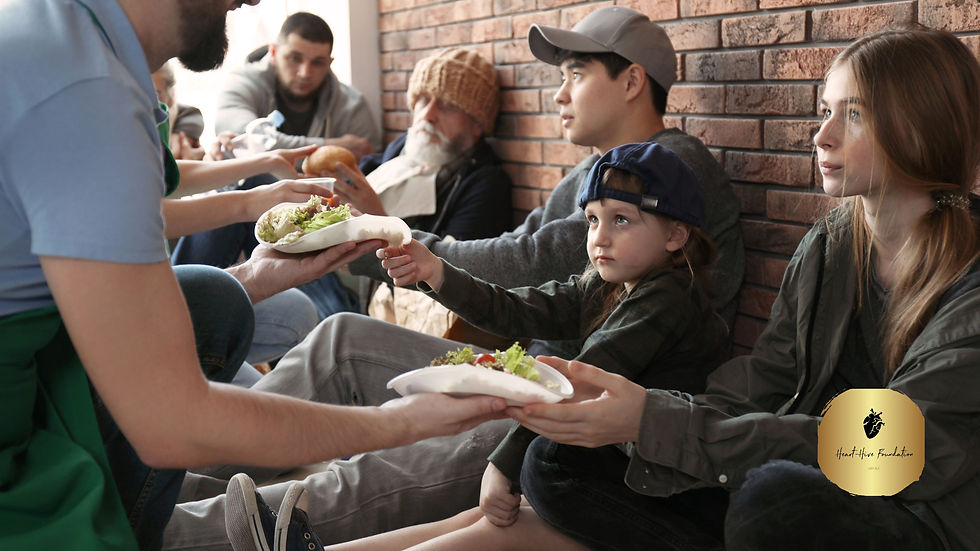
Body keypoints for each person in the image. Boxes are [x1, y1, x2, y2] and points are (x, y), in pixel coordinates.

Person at [162, 6, 745, 550]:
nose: (559, 94)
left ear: (632, 82)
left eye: (575, 74)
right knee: (341, 339)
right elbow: (532, 295)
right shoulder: (594, 176)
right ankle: (164, 484)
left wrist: (394, 238)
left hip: (576, 418)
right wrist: (388, 241)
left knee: (379, 458)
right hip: (523, 367)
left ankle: (178, 535)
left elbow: (528, 261)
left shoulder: (664, 171)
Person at [445, 25, 977, 551]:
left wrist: (663, 423)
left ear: (918, 128)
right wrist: (657, 420)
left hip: (908, 514)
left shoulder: (970, 279)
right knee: (559, 459)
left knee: (775, 501)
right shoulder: (833, 242)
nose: (822, 136)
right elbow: (770, 373)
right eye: (825, 111)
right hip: (796, 468)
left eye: (853, 114)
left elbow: (896, 448)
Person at [0, 3, 507, 551]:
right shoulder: (86, 94)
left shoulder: (68, 40)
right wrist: (401, 423)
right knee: (301, 328)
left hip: (57, 376)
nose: (250, 3)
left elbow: (116, 214)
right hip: (22, 454)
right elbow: (171, 421)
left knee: (225, 298)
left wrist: (257, 269)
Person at [303, 141, 726, 551]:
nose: (599, 238)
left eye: (621, 220)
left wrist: (503, 465)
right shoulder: (608, 283)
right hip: (596, 466)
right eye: (593, 220)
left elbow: (578, 381)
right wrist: (436, 273)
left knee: (508, 506)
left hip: (645, 489)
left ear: (675, 235)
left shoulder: (668, 297)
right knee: (472, 520)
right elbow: (515, 309)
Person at [174, 47, 513, 321]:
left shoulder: (483, 183)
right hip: (322, 260)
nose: (427, 114)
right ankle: (175, 297)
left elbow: (451, 286)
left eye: (448, 105)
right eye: (423, 100)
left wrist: (375, 217)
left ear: (477, 124)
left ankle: (184, 307)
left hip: (361, 295)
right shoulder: (400, 149)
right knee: (256, 185)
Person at [213, 11, 380, 159]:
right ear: (273, 53)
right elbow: (246, 141)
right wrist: (330, 147)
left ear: (329, 63)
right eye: (295, 58)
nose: (305, 73)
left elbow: (370, 164)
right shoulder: (242, 84)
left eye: (317, 62)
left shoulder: (352, 105)